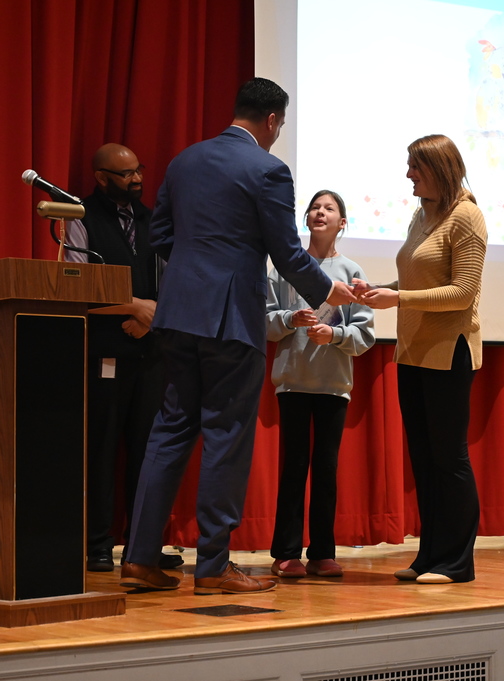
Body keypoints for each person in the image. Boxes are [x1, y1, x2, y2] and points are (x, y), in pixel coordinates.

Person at [119, 78, 358, 595]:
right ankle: (212, 566)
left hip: (178, 313)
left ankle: (137, 558)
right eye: (281, 126)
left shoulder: (184, 160)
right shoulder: (268, 169)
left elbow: (161, 236)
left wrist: (198, 269)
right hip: (229, 320)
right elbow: (287, 252)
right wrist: (327, 290)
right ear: (272, 120)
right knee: (226, 437)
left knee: (169, 431)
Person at [356, 134, 487, 584]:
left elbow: (462, 292)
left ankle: (456, 563)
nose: (408, 175)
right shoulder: (422, 214)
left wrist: (399, 298)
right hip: (412, 351)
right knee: (424, 460)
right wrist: (380, 290)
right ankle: (429, 557)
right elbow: (417, 279)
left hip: (448, 351)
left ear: (440, 169)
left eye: (416, 166)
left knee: (449, 459)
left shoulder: (466, 216)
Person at [65, 143, 182, 573]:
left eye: (139, 170)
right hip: (103, 351)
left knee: (148, 451)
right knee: (101, 450)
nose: (136, 180)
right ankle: (97, 545)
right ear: (101, 177)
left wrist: (152, 318)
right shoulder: (79, 217)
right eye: (125, 174)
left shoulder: (155, 221)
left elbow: (176, 280)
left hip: (152, 352)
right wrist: (132, 307)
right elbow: (75, 285)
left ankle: (141, 546)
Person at [267, 190, 375, 579]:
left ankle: (323, 552)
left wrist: (335, 334)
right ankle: (286, 553)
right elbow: (263, 320)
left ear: (342, 223)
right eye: (314, 207)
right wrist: (289, 319)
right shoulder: (284, 267)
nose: (320, 212)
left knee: (326, 470)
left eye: (329, 208)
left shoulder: (352, 271)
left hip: (333, 385)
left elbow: (365, 334)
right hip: (293, 382)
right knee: (293, 467)